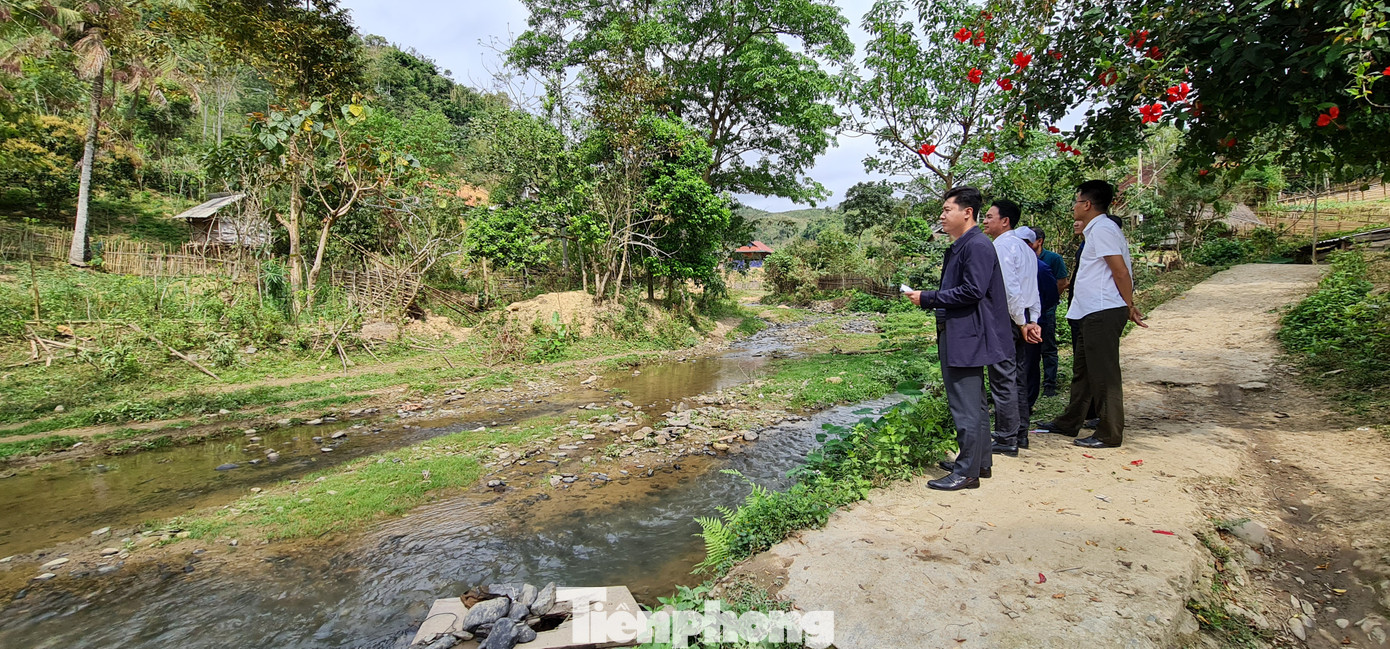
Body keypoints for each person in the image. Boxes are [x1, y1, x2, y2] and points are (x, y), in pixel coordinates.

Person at [908, 186, 1013, 490]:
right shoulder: (963, 245)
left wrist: (928, 297)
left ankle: (967, 472)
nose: (941, 216)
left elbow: (973, 291)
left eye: (946, 210)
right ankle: (979, 462)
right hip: (965, 332)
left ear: (967, 213)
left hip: (967, 335)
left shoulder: (976, 245)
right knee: (975, 404)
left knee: (964, 405)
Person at [1036, 180, 1147, 448]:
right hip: (1091, 311)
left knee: (1104, 373)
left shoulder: (1104, 229)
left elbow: (1119, 271)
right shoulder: (1096, 229)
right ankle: (1070, 421)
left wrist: (1129, 304)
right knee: (1083, 372)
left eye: (1076, 201)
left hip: (1103, 310)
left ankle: (1109, 433)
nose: (1073, 207)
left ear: (1086, 204)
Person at [979, 200, 1042, 457]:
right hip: (1024, 317)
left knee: (1003, 377)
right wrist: (1032, 319)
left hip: (1009, 319)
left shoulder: (1002, 246)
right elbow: (1032, 289)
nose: (985, 220)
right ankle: (1020, 432)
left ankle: (1006, 438)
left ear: (1005, 221)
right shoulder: (1027, 249)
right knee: (1017, 376)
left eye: (990, 216)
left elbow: (1010, 289)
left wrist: (1019, 321)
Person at [1017, 227, 1058, 411]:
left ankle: (1027, 402)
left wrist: (1036, 317)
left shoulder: (1040, 268)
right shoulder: (1014, 265)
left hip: (1034, 321)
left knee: (1030, 362)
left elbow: (1051, 296)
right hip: (1017, 320)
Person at [1030, 229, 1069, 396]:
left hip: (1046, 310)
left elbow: (1062, 282)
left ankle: (1050, 384)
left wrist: (1048, 302)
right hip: (1028, 310)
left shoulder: (1053, 259)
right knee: (1031, 349)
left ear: (1040, 241)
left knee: (1048, 347)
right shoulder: (1023, 257)